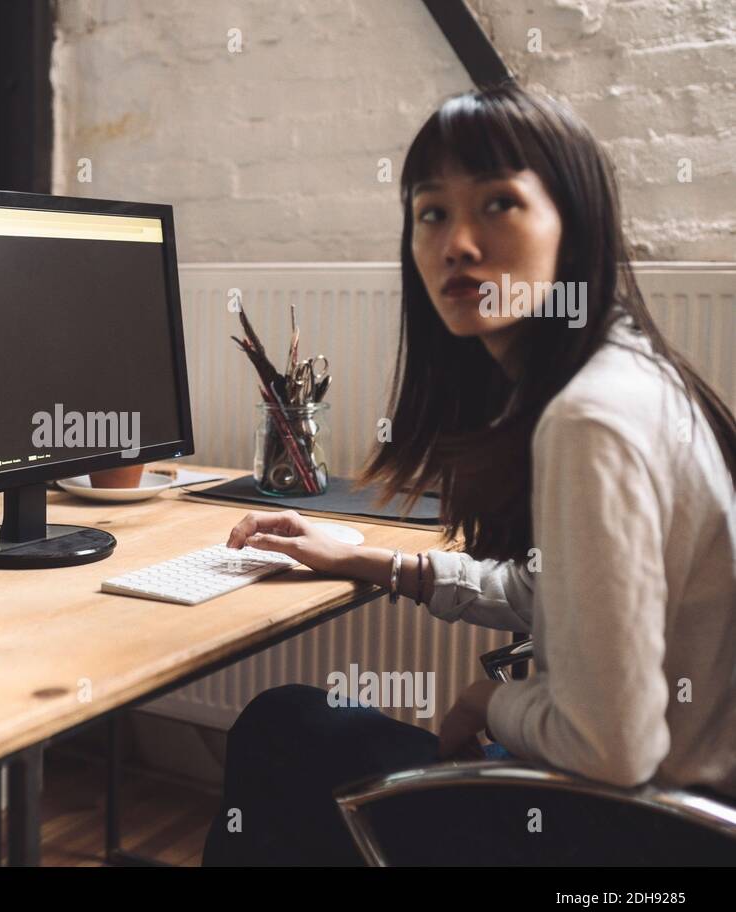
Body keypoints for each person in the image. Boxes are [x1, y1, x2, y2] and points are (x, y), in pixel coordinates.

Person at [202, 82, 736, 866]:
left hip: (636, 848)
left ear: (574, 226)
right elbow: (557, 593)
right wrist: (378, 560)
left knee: (283, 731)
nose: (457, 242)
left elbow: (611, 747)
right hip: (666, 817)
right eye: (432, 212)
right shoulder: (630, 373)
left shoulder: (590, 419)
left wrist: (494, 699)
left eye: (497, 205)